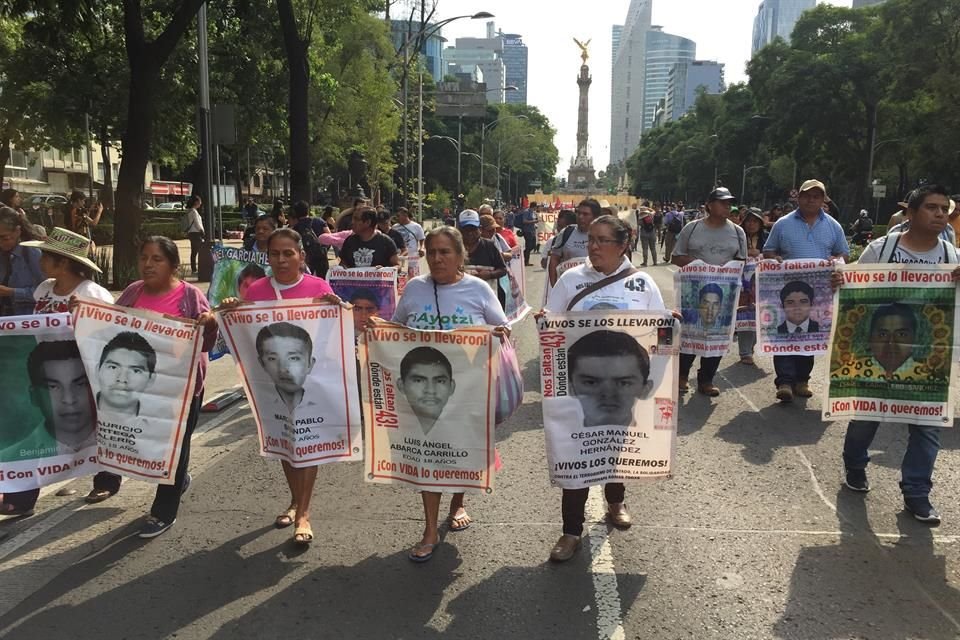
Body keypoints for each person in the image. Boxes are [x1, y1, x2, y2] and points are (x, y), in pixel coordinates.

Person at [543, 214, 669, 562]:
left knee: (615, 449)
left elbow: (659, 332)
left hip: (623, 387)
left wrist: (670, 323)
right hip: (580, 390)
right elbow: (552, 325)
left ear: (623, 245)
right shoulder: (570, 280)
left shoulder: (643, 284)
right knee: (575, 458)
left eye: (602, 241)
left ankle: (615, 502)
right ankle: (571, 532)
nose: (593, 247)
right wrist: (545, 322)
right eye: (591, 240)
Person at [837, 184, 959, 525]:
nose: (939, 214)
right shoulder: (882, 248)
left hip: (928, 358)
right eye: (931, 207)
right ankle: (856, 464)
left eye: (944, 208)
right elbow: (856, 289)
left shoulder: (952, 255)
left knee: (928, 426)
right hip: (878, 354)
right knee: (868, 414)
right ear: (910, 213)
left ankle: (917, 493)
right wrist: (840, 280)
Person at [388, 226, 509, 563]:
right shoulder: (414, 288)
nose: (437, 258)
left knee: (458, 455)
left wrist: (495, 332)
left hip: (467, 391)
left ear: (460, 256)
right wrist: (376, 331)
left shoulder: (478, 289)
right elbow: (396, 328)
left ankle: (457, 503)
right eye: (432, 252)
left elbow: (504, 329)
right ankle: (429, 529)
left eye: (445, 252)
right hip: (424, 395)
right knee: (428, 458)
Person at [85, 236, 218, 539]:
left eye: (157, 259)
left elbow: (207, 344)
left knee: (176, 447)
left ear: (173, 264)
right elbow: (110, 327)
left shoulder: (190, 295)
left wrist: (209, 324)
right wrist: (83, 311)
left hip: (181, 387)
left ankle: (163, 511)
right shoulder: (132, 292)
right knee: (149, 442)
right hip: (142, 388)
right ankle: (177, 478)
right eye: (144, 257)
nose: (148, 264)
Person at [222, 227, 340, 545]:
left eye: (289, 253)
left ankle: (303, 513)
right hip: (274, 385)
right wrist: (234, 309)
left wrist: (335, 307)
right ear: (267, 257)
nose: (282, 259)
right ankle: (294, 500)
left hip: (310, 382)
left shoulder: (318, 286)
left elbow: (330, 335)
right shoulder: (257, 290)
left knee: (308, 442)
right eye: (275, 253)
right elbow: (247, 335)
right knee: (286, 444)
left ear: (301, 256)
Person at [0, 227, 111, 516]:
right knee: (42, 439)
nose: (40, 259)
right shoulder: (44, 289)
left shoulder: (92, 293)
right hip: (47, 374)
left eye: (47, 255)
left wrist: (85, 314)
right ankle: (23, 497)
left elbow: (110, 332)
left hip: (84, 375)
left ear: (63, 262)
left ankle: (107, 479)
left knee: (98, 432)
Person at [763, 179, 848, 403]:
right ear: (798, 198)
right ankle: (784, 382)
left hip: (818, 294)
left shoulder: (833, 226)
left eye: (817, 196)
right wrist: (775, 259)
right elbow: (768, 252)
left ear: (823, 200)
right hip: (785, 290)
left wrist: (835, 261)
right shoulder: (782, 224)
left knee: (810, 334)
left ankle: (802, 379)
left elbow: (843, 255)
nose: (811, 199)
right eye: (807, 195)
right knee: (783, 334)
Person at [671, 187, 747, 397]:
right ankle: (682, 375)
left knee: (718, 335)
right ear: (709, 205)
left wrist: (725, 269)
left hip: (724, 293)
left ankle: (706, 379)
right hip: (693, 293)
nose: (726, 206)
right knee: (689, 331)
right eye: (722, 202)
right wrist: (700, 265)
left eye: (729, 202)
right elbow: (676, 257)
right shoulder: (692, 228)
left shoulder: (737, 232)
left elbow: (742, 262)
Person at [568, 330, 653, 427]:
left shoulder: (660, 441)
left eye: (624, 383)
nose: (608, 394)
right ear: (571, 388)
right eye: (591, 382)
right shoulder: (558, 439)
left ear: (645, 389)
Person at [255, 322, 315, 414]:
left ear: (310, 364)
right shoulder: (262, 407)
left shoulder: (329, 406)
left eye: (294, 358)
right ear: (262, 363)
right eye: (272, 359)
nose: (283, 369)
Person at [397, 346, 456, 435]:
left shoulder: (469, 433)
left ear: (452, 387)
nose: (430, 390)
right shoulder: (386, 431)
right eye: (418, 381)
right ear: (401, 385)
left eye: (440, 381)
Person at [0, 206, 44, 317]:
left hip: (28, 321)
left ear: (18, 231)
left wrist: (12, 292)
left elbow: (47, 293)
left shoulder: (32, 253)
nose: (0, 243)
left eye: (5, 238)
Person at [736, 209, 767, 365]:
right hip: (742, 285)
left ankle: (751, 347)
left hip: (761, 285)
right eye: (748, 220)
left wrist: (761, 254)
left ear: (761, 223)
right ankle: (745, 352)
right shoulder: (736, 237)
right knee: (744, 316)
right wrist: (746, 253)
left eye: (755, 221)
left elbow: (775, 254)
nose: (751, 224)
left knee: (759, 318)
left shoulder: (767, 238)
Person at [549, 199, 600, 286]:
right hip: (569, 288)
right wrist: (555, 286)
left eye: (585, 214)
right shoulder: (566, 232)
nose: (580, 217)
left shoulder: (603, 235)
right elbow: (554, 259)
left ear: (595, 217)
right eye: (578, 213)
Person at [459, 210, 507, 291]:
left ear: (480, 229)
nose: (470, 233)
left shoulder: (489, 246)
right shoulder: (455, 247)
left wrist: (490, 274)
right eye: (466, 230)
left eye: (473, 229)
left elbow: (503, 270)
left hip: (487, 299)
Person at [287, 200, 330, 278]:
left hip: (307, 263)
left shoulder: (294, 230)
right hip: (322, 259)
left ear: (295, 213)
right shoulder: (319, 221)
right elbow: (329, 237)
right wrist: (324, 249)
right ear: (308, 210)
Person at [392, 207, 426, 273]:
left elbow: (422, 239)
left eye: (398, 216)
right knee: (398, 274)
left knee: (413, 274)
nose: (397, 218)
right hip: (399, 255)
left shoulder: (416, 226)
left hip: (412, 256)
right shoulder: (395, 227)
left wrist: (422, 248)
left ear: (405, 215)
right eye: (396, 216)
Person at [183, 195, 205, 275]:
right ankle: (197, 269)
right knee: (200, 251)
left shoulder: (190, 211)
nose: (201, 203)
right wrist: (202, 231)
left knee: (194, 251)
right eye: (200, 201)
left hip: (192, 233)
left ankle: (194, 269)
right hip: (196, 233)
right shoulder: (193, 211)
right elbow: (197, 223)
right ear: (196, 202)